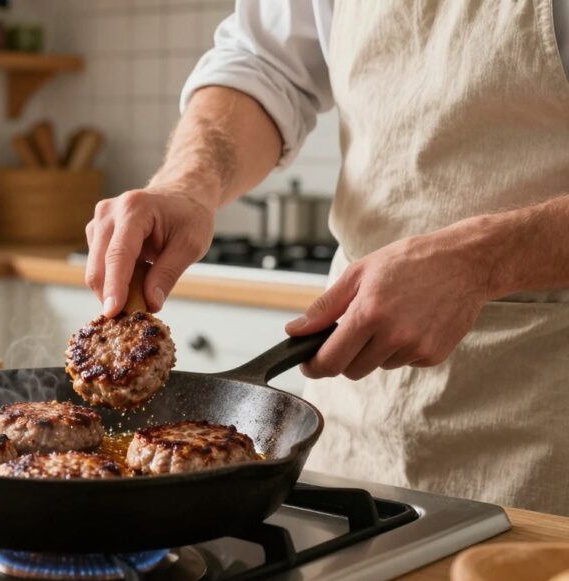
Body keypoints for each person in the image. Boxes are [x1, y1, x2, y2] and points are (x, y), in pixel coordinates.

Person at [84, 1, 569, 515]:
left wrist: (482, 261)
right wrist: (188, 183)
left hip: (544, 427)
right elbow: (264, 68)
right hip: (361, 418)